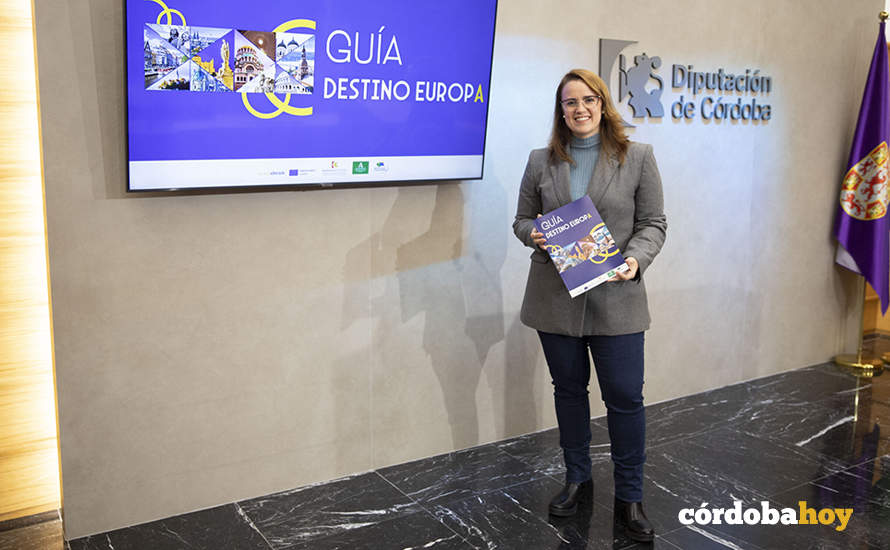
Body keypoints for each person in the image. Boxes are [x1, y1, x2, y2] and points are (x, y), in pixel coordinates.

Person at [512, 68, 666, 542]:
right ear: (561, 111)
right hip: (554, 300)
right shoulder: (540, 161)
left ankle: (631, 495)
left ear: (602, 104)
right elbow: (521, 221)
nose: (579, 109)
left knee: (625, 397)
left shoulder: (638, 157)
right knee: (569, 392)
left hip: (617, 297)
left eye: (588, 100)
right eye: (570, 102)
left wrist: (635, 261)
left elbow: (654, 223)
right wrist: (534, 234)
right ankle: (577, 478)